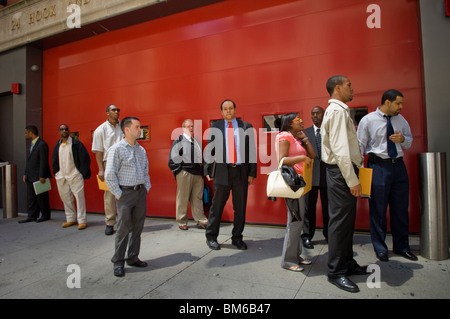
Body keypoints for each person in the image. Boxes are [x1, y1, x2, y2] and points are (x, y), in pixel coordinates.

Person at [357, 89, 417, 262]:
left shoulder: (401, 120)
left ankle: (402, 247)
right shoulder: (368, 120)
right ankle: (380, 248)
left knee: (400, 209)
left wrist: (402, 140)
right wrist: (361, 174)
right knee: (378, 210)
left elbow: (409, 141)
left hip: (398, 167)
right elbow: (360, 146)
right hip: (378, 167)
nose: (401, 107)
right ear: (387, 102)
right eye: (398, 103)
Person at [321, 75, 367, 293]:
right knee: (340, 223)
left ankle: (347, 264)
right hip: (341, 173)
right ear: (337, 88)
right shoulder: (338, 111)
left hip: (341, 172)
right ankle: (336, 272)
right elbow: (340, 150)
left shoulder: (338, 110)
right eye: (349, 85)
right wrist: (352, 180)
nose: (353, 88)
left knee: (346, 222)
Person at [204, 99, 257, 250]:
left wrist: (252, 172)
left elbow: (251, 151)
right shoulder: (216, 127)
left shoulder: (246, 127)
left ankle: (237, 238)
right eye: (225, 109)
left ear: (235, 109)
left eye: (231, 108)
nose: (228, 111)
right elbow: (209, 149)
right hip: (222, 172)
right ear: (221, 112)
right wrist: (207, 169)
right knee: (217, 207)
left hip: (241, 173)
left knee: (240, 208)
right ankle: (211, 237)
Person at [105, 116, 151, 277]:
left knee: (137, 228)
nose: (140, 130)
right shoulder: (116, 149)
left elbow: (146, 171)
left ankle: (132, 257)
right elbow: (109, 175)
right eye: (137, 127)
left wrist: (146, 188)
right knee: (123, 229)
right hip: (125, 194)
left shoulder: (141, 149)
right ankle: (118, 261)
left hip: (140, 193)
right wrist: (119, 195)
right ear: (127, 129)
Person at [276, 113, 315, 272]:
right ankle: (288, 260)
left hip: (300, 183)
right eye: (298, 120)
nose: (301, 121)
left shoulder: (295, 137)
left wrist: (304, 138)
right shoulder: (284, 136)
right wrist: (301, 158)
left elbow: (313, 155)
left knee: (298, 221)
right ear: (290, 124)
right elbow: (282, 160)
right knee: (295, 221)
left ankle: (296, 255)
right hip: (293, 184)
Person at [168, 119, 208, 230]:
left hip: (198, 174)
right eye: (188, 126)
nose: (191, 128)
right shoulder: (179, 140)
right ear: (183, 128)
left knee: (197, 198)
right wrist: (179, 172)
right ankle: (182, 221)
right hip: (185, 173)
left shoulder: (196, 142)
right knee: (182, 198)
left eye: (192, 126)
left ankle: (201, 220)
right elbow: (173, 159)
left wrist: (203, 172)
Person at [52, 124, 91, 230]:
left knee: (79, 198)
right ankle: (70, 219)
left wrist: (81, 172)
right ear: (59, 132)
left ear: (69, 131)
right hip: (62, 176)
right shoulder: (58, 144)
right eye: (61, 129)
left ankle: (82, 220)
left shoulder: (76, 144)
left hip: (74, 175)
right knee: (66, 198)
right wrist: (56, 172)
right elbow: (54, 159)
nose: (64, 131)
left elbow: (85, 158)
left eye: (66, 129)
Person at [92, 104, 124, 235]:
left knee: (126, 192)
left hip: (124, 162)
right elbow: (98, 151)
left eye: (118, 110)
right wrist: (101, 169)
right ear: (107, 113)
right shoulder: (100, 130)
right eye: (113, 110)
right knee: (109, 194)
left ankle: (125, 222)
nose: (116, 111)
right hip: (108, 163)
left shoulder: (124, 126)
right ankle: (110, 223)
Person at [301, 106, 329, 249]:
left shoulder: (330, 131)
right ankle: (306, 236)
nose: (315, 116)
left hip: (328, 176)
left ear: (324, 114)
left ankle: (329, 234)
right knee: (308, 209)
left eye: (318, 113)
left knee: (328, 208)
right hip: (310, 176)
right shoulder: (304, 133)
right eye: (313, 114)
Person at [19, 125, 52, 223]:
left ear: (31, 133)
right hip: (30, 175)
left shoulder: (42, 144)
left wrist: (42, 175)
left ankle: (45, 215)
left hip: (39, 176)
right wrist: (25, 173)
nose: (25, 135)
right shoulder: (30, 145)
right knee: (31, 197)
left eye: (26, 133)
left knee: (42, 197)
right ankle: (32, 215)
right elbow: (28, 161)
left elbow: (43, 161)